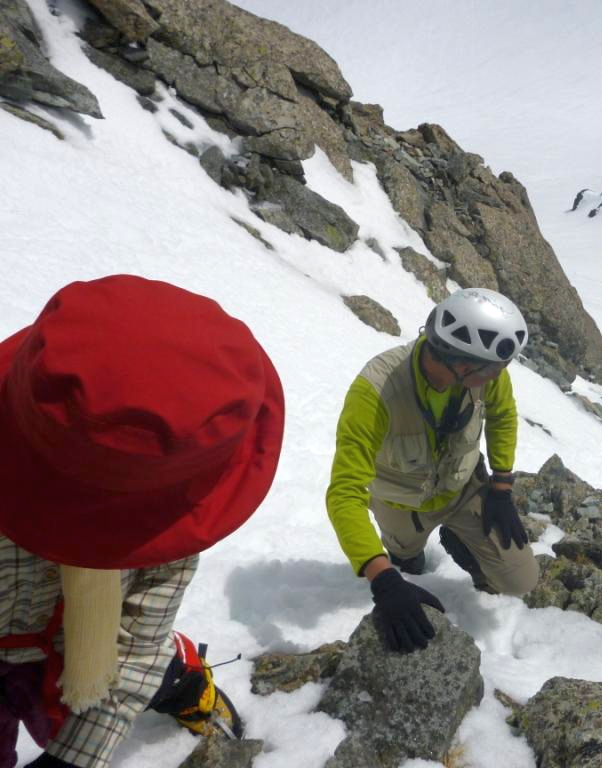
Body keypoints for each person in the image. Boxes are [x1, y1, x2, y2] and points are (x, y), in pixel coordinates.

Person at [0, 276, 285, 768]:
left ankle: (185, 683)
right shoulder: (166, 502)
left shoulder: (168, 511)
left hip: (92, 654)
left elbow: (137, 643)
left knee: (137, 676)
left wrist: (72, 760)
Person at [326, 287, 539, 653]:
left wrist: (501, 485)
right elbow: (344, 493)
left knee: (520, 580)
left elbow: (502, 415)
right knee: (404, 562)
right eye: (491, 371)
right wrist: (383, 579)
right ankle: (406, 551)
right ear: (461, 364)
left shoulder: (484, 370)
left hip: (463, 488)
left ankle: (461, 540)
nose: (497, 378)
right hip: (400, 503)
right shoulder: (375, 393)